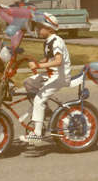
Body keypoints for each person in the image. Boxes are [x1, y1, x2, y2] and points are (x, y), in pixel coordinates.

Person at [20, 12, 71, 144]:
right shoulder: (48, 41)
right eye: (36, 26)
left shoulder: (56, 41)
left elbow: (59, 61)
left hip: (60, 76)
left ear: (49, 29)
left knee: (38, 99)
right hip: (51, 74)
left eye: (39, 26)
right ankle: (46, 111)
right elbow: (53, 58)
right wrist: (45, 60)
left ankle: (37, 133)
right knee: (29, 83)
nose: (37, 29)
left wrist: (40, 65)